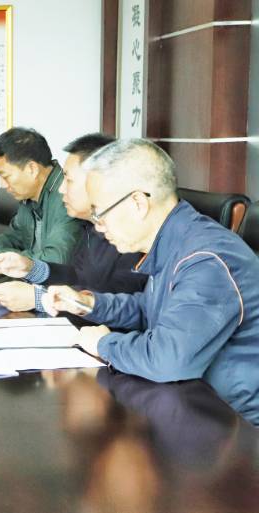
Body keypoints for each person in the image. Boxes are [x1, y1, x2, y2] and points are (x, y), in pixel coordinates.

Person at [44, 138, 259, 424]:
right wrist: (88, 303)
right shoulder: (175, 242)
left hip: (238, 429)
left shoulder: (206, 259)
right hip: (193, 408)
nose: (98, 225)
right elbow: (148, 309)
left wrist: (104, 344)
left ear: (138, 203)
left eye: (100, 212)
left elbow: (168, 359)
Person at [0, 133, 148, 311]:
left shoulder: (131, 236)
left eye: (69, 180)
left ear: (97, 182)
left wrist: (41, 299)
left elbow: (124, 307)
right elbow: (78, 277)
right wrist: (31, 268)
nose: (61, 188)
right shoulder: (93, 227)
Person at [0, 127, 84, 264]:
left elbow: (56, 259)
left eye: (6, 176)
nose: (3, 185)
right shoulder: (29, 196)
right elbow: (15, 238)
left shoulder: (67, 196)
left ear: (32, 169)